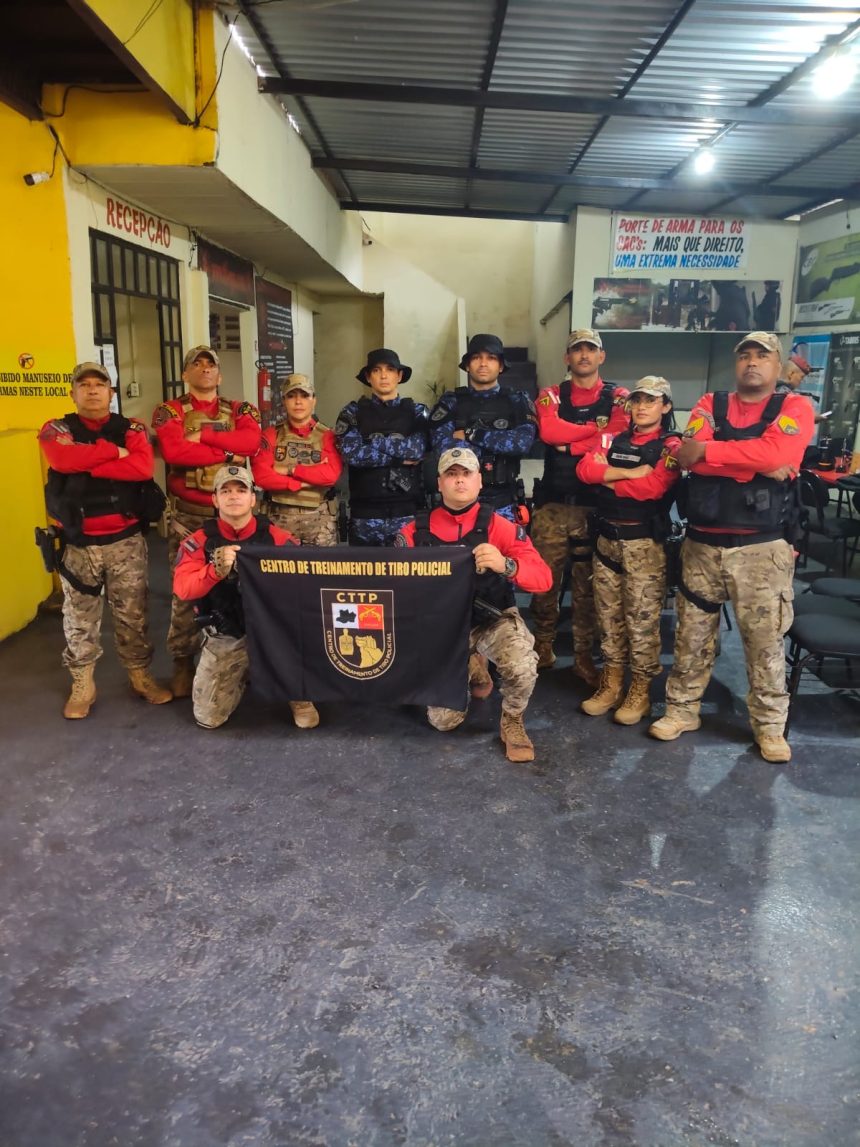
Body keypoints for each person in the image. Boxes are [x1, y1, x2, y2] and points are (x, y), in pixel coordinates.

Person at [649, 331, 814, 763]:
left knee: (764, 643)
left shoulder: (795, 407)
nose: (752, 362)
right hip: (701, 545)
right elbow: (688, 456)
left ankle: (769, 727)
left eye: (762, 356)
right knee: (691, 637)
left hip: (761, 549)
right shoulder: (710, 403)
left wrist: (714, 452)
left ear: (777, 365)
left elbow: (775, 453)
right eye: (745, 356)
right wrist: (753, 462)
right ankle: (682, 711)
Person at [397, 447, 552, 764]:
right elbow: (393, 585)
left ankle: (512, 719)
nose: (459, 481)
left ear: (479, 481)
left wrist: (506, 565)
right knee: (443, 721)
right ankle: (469, 664)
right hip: (441, 627)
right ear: (439, 483)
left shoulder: (500, 527)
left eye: (466, 473)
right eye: (451, 474)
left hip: (491, 619)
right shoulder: (414, 532)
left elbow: (543, 579)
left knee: (522, 666)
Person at [38, 361, 172, 718]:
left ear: (111, 392)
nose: (92, 390)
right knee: (79, 619)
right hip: (78, 543)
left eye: (100, 384)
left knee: (133, 614)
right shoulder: (55, 429)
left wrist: (84, 460)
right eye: (84, 385)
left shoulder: (132, 428)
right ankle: (83, 684)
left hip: (125, 541)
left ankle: (140, 676)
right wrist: (115, 453)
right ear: (73, 393)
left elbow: (142, 468)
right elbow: (60, 458)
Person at [172, 465, 320, 730]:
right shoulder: (199, 541)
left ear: (253, 498)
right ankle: (242, 673)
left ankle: (298, 694)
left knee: (299, 636)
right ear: (215, 499)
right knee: (208, 718)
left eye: (241, 490)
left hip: (273, 632)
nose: (233, 496)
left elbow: (304, 584)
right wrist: (214, 571)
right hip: (227, 632)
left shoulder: (277, 539)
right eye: (225, 491)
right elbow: (183, 589)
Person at [152, 345, 262, 698]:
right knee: (186, 591)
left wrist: (205, 438)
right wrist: (230, 452)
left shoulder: (241, 409)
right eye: (196, 365)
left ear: (219, 373)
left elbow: (251, 442)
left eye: (210, 364)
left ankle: (244, 659)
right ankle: (183, 661)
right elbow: (174, 451)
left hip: (234, 516)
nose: (204, 369)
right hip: (190, 516)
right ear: (185, 374)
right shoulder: (169, 411)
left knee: (240, 586)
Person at [575, 377, 681, 724]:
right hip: (606, 541)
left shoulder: (671, 445)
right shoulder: (613, 438)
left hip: (643, 545)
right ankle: (611, 683)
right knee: (608, 618)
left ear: (665, 406)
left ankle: (640, 690)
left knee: (641, 620)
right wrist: (629, 473)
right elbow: (584, 470)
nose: (641, 407)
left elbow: (653, 488)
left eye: (651, 401)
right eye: (637, 400)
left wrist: (606, 479)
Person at [530, 328, 629, 685]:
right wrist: (593, 434)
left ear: (602, 356)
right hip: (552, 507)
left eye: (591, 349)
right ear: (567, 358)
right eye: (577, 350)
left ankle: (583, 656)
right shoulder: (551, 395)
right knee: (544, 582)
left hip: (594, 508)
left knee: (589, 588)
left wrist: (571, 445)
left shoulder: (619, 397)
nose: (584, 355)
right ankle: (543, 646)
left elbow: (618, 434)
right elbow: (549, 432)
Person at [429, 333, 536, 521]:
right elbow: (442, 448)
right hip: (457, 506)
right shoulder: (451, 402)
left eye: (491, 358)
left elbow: (522, 443)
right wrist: (497, 444)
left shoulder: (517, 401)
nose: (483, 363)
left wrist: (471, 434)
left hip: (503, 504)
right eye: (477, 357)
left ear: (500, 366)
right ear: (467, 365)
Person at [335, 348, 429, 546]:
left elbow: (416, 450)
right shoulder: (352, 412)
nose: (384, 376)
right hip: (365, 516)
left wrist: (370, 442)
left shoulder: (417, 412)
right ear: (368, 377)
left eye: (390, 369)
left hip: (407, 514)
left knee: (408, 567)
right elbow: (352, 454)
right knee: (364, 567)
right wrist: (397, 458)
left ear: (399, 376)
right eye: (377, 370)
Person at [252, 374, 342, 544]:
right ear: (284, 401)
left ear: (314, 400)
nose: (298, 402)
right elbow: (262, 476)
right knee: (277, 562)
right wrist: (301, 483)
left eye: (305, 396)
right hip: (278, 519)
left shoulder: (327, 436)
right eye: (292, 396)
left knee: (321, 563)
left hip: (320, 522)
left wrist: (290, 470)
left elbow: (330, 475)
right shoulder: (271, 435)